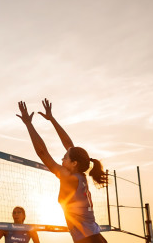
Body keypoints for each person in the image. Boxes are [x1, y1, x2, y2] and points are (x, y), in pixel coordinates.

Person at [17, 99, 107, 243]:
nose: (61, 159)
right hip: (96, 237)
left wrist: (28, 124)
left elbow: (42, 152)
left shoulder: (68, 178)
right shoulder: (80, 175)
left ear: (74, 163)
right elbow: (69, 145)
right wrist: (52, 119)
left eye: (65, 158)